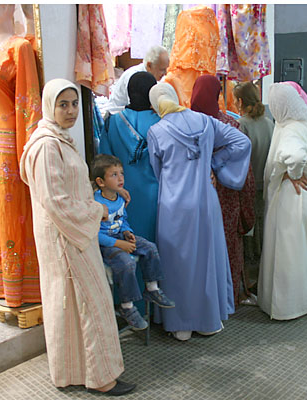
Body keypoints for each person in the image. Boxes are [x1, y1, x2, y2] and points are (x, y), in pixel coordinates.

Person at [19, 79, 135, 396]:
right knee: (90, 302)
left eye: (73, 104)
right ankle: (101, 378)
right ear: (49, 107)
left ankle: (77, 371)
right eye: (63, 104)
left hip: (70, 233)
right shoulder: (46, 146)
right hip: (67, 236)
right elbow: (55, 201)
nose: (70, 111)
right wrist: (94, 212)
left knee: (74, 304)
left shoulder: (59, 140)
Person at [147, 82, 251, 341]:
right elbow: (242, 141)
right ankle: (208, 320)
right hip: (206, 200)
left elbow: (156, 172)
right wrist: (214, 163)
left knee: (177, 264)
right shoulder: (205, 122)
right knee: (206, 259)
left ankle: (180, 323)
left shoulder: (156, 131)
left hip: (174, 206)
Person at [0, 4, 42, 307]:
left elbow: (28, 99)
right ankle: (5, 285)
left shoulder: (19, 48)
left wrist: (27, 151)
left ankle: (25, 288)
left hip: (11, 146)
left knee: (16, 213)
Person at [258, 83, 307, 321]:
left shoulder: (290, 129)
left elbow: (296, 155)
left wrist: (293, 173)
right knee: (303, 250)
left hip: (292, 199)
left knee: (287, 252)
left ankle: (288, 306)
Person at [190, 74, 255, 306]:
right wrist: (248, 209)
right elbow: (245, 171)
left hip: (192, 197)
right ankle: (227, 298)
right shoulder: (229, 124)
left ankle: (200, 301)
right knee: (226, 246)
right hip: (226, 198)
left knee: (197, 248)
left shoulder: (183, 125)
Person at [92, 154, 175, 330]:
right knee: (127, 263)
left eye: (121, 173)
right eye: (114, 175)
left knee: (150, 248)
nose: (120, 178)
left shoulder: (120, 198)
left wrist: (127, 232)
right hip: (106, 244)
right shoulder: (96, 203)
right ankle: (126, 307)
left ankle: (152, 288)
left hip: (119, 236)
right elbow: (95, 234)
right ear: (101, 181)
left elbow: (123, 220)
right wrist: (119, 244)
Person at [99, 72, 160, 241]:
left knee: (128, 245)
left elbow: (103, 161)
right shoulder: (163, 124)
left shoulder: (112, 123)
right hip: (157, 197)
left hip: (121, 197)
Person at [232, 82, 275, 292]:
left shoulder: (241, 125)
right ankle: (262, 280)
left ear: (240, 101)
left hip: (248, 187)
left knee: (249, 233)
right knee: (262, 231)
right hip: (266, 185)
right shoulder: (269, 123)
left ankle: (249, 283)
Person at [106, 45, 169, 112]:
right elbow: (135, 108)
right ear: (149, 65)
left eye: (166, 69)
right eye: (162, 69)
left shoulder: (155, 76)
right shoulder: (134, 77)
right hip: (120, 115)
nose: (165, 73)